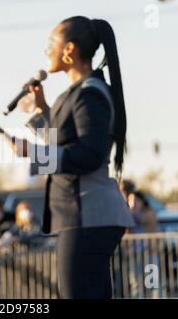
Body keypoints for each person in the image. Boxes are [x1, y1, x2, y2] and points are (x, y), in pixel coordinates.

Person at [7, 16, 135, 298]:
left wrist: (33, 153)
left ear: (69, 50)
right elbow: (64, 142)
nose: (46, 51)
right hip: (83, 216)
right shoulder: (78, 93)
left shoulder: (90, 94)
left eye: (50, 43)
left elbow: (89, 155)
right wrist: (41, 111)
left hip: (88, 214)